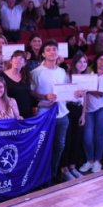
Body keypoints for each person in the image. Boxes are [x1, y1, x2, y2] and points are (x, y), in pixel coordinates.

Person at [30, 40, 71, 181]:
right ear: (43, 54)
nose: (52, 52)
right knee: (43, 147)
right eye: (48, 50)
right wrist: (45, 96)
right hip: (44, 115)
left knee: (59, 146)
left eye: (54, 49)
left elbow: (66, 91)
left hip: (62, 113)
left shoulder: (62, 71)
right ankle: (41, 176)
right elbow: (32, 92)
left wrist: (75, 93)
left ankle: (52, 174)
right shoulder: (36, 73)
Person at [79, 53, 103, 174]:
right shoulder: (87, 72)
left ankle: (98, 161)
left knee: (99, 136)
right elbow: (82, 87)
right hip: (86, 109)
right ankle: (89, 160)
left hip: (101, 109)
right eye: (101, 59)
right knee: (87, 137)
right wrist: (97, 91)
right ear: (96, 60)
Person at [61, 51, 87, 181]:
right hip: (68, 108)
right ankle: (64, 168)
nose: (82, 64)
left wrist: (83, 114)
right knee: (68, 139)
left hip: (79, 109)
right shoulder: (67, 76)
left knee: (77, 139)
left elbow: (85, 98)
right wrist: (73, 94)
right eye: (79, 61)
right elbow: (63, 95)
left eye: (84, 62)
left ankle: (72, 166)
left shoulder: (86, 77)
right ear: (74, 63)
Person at [0, 50, 34, 118]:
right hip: (9, 115)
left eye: (21, 59)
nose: (18, 60)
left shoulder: (26, 76)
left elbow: (29, 94)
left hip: (27, 114)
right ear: (11, 61)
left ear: (24, 63)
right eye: (15, 58)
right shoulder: (1, 76)